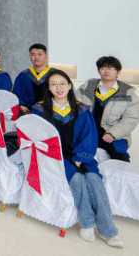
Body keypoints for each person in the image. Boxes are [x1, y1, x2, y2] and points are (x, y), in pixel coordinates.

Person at [32, 70, 123, 248]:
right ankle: (87, 224)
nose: (59, 87)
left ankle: (108, 231)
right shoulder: (40, 109)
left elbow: (90, 136)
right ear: (48, 88)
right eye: (53, 84)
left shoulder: (82, 109)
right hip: (56, 157)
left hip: (81, 155)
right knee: (77, 179)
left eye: (62, 83)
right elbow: (37, 136)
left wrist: (81, 157)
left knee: (94, 180)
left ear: (69, 86)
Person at [76, 56, 139, 163]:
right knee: (75, 154)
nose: (107, 71)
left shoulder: (128, 93)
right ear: (98, 70)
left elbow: (131, 119)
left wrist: (112, 134)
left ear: (118, 72)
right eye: (103, 68)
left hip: (114, 133)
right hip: (88, 130)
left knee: (121, 158)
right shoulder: (86, 88)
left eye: (111, 68)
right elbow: (75, 109)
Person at [14, 44, 54, 114]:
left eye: (39, 54)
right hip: (28, 113)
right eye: (33, 55)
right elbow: (17, 94)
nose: (36, 57)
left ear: (46, 56)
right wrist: (20, 105)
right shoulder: (23, 75)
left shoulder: (55, 74)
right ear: (30, 56)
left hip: (51, 112)